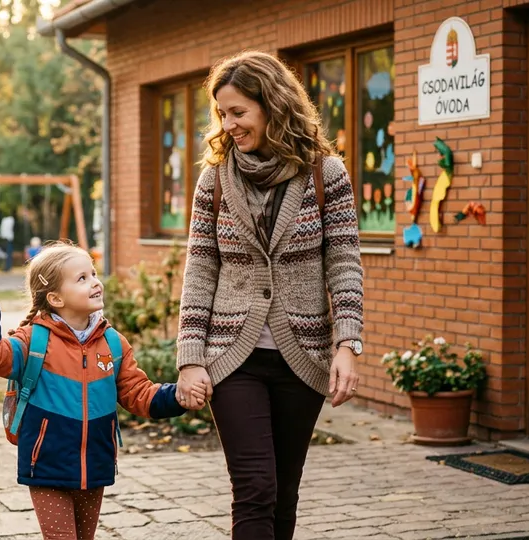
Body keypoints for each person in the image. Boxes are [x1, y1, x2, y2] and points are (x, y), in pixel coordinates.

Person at [174, 51, 364, 539]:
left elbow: (342, 262)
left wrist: (348, 342)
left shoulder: (326, 174)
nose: (228, 123)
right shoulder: (214, 178)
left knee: (284, 491)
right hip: (231, 356)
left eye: (238, 111)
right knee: (256, 488)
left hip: (302, 355)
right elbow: (200, 267)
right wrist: (190, 357)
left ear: (273, 105)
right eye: (221, 113)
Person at [0, 244, 200, 540]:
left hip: (95, 466)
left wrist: (178, 396)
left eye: (94, 273)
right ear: (55, 298)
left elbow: (138, 394)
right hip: (47, 466)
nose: (95, 282)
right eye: (82, 278)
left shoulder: (112, 343)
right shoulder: (33, 340)